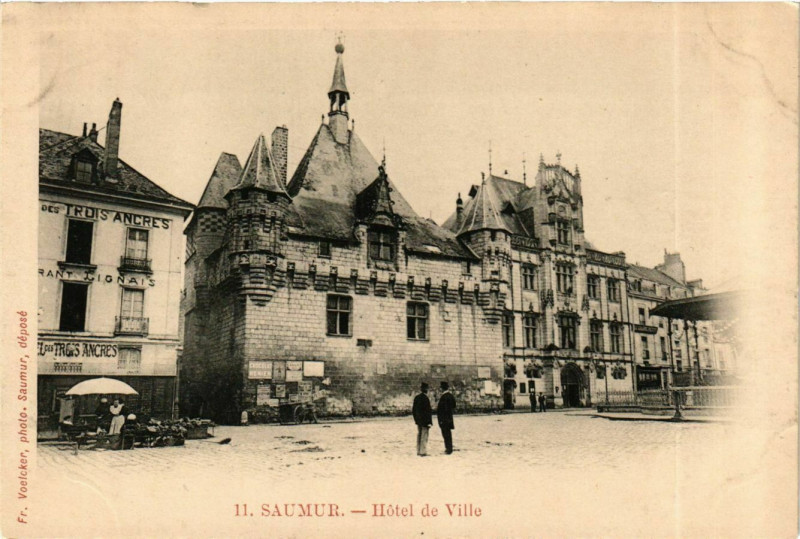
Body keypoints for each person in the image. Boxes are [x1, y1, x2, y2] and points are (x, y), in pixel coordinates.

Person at [411, 382, 432, 456]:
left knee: (419, 435)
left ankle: (418, 450)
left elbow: (414, 410)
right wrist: (429, 422)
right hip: (425, 421)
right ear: (426, 389)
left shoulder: (417, 398)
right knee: (424, 435)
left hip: (419, 420)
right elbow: (428, 412)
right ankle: (423, 451)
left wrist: (416, 419)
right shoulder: (426, 399)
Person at [436, 381, 456, 455]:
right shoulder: (450, 396)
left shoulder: (444, 397)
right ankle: (449, 447)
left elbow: (441, 409)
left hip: (444, 419)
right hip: (449, 418)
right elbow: (454, 405)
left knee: (445, 434)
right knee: (448, 434)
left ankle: (448, 448)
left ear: (442, 388)